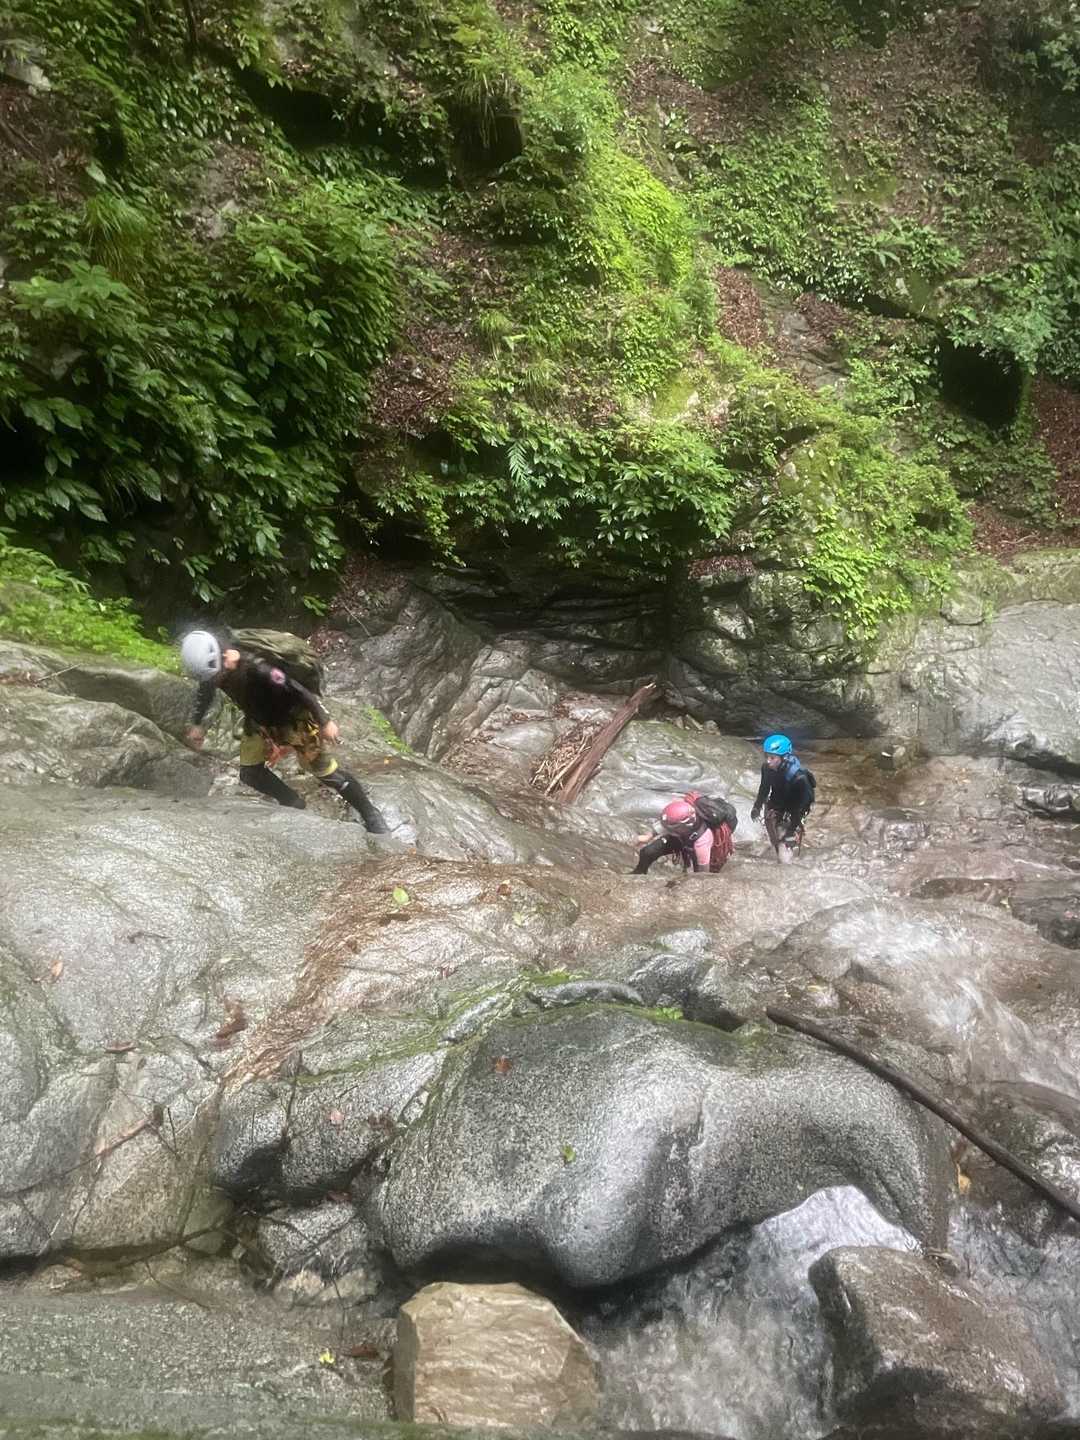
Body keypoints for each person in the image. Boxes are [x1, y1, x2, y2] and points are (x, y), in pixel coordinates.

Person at [180, 629, 389, 833]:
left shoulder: (258, 667)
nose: (215, 681)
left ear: (224, 656)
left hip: (293, 718)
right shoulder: (214, 669)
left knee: (326, 772)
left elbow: (297, 689)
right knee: (250, 773)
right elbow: (205, 692)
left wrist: (324, 722)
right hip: (259, 720)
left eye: (217, 676)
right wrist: (197, 724)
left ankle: (371, 814)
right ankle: (292, 802)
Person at [750, 733, 814, 863]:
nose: (768, 761)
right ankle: (779, 850)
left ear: (784, 758)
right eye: (767, 756)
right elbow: (764, 788)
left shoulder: (798, 777)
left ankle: (787, 861)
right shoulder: (767, 768)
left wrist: (791, 830)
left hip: (796, 806)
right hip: (776, 801)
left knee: (785, 843)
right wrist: (757, 806)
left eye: (772, 757)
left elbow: (801, 807)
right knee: (775, 837)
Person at [632, 795, 735, 875]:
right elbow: (666, 824)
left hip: (694, 844)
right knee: (647, 852)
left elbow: (703, 873)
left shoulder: (702, 841)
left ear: (684, 826)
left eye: (671, 828)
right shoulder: (680, 822)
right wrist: (648, 837)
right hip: (682, 836)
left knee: (696, 874)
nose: (667, 829)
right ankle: (638, 873)